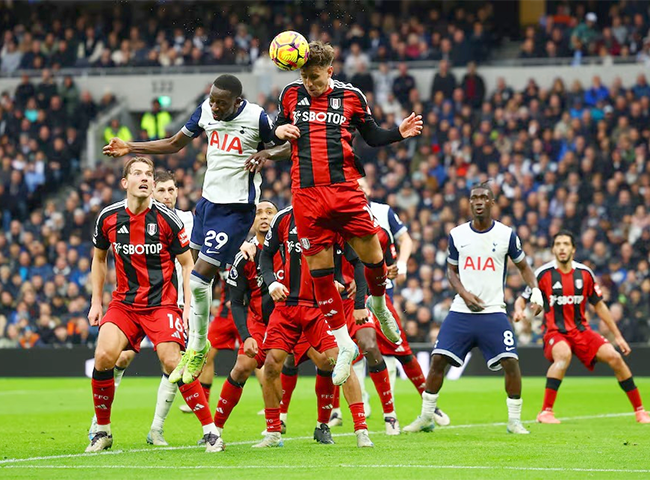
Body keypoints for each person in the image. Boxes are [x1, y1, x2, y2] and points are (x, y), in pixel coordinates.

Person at [103, 74, 284, 385]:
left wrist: (267, 152)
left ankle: (198, 346)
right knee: (193, 274)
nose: (214, 107)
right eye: (212, 100)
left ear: (237, 102)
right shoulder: (205, 111)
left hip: (237, 209)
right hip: (207, 206)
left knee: (200, 279)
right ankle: (195, 341)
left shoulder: (256, 117)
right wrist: (129, 147)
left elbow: (287, 149)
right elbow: (175, 143)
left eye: (221, 103)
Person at [269, 41, 423, 386]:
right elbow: (272, 137)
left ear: (330, 71)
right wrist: (278, 132)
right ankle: (342, 344)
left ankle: (379, 305)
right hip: (305, 195)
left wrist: (399, 133)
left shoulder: (352, 96)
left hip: (346, 190)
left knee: (373, 254)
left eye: (316, 77)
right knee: (320, 273)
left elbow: (371, 135)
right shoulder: (290, 95)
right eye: (305, 77)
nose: (310, 83)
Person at [86, 157, 222, 453]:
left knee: (173, 362)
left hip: (162, 304)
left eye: (149, 173)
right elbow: (99, 258)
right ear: (125, 183)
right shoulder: (107, 218)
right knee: (104, 356)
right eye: (137, 173)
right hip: (123, 304)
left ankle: (211, 432)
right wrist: (96, 302)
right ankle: (103, 431)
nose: (145, 178)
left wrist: (187, 306)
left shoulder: (167, 220)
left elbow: (188, 265)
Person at [404, 183, 544, 435]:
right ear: (469, 203)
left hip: (493, 312)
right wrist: (464, 294)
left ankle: (514, 421)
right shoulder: (457, 234)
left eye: (483, 197)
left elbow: (524, 267)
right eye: (474, 198)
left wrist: (535, 290)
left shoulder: (506, 234)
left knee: (511, 362)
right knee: (437, 360)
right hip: (461, 311)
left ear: (492, 202)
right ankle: (426, 416)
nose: (478, 201)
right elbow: (451, 270)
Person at [255, 205, 373, 448]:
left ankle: (361, 430)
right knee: (271, 363)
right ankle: (273, 431)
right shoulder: (283, 219)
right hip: (287, 306)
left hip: (320, 307)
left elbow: (358, 262)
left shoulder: (331, 221)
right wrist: (271, 283)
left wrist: (359, 302)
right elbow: (265, 256)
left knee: (340, 360)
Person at [514, 230, 650, 424]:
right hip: (555, 332)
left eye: (566, 244)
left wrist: (617, 336)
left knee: (615, 357)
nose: (562, 247)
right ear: (553, 249)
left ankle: (640, 411)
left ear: (573, 249)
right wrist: (519, 311)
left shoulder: (585, 274)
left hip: (582, 331)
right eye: (558, 244)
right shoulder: (543, 274)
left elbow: (599, 305)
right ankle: (546, 412)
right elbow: (522, 298)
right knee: (563, 356)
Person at [210, 200, 279, 439]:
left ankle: (332, 422)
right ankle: (215, 428)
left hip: (293, 317)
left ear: (278, 217)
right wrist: (247, 335)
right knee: (242, 368)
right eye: (259, 212)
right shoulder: (244, 257)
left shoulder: (290, 248)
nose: (263, 217)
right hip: (260, 322)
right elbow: (236, 302)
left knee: (326, 360)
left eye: (269, 212)